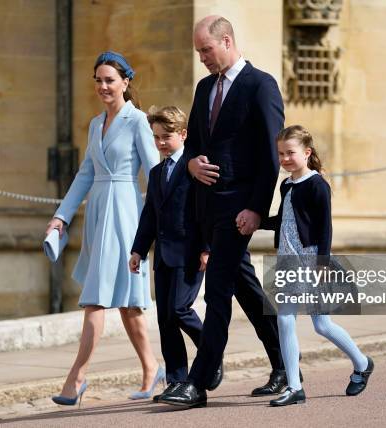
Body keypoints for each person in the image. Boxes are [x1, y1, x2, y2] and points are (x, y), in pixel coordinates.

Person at [160, 16, 287, 408]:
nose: (202, 59)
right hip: (207, 211)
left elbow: (270, 156)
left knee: (217, 292)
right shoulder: (203, 88)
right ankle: (285, 364)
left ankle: (199, 382)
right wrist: (192, 165)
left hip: (239, 212)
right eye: (199, 52)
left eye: (206, 50)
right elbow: (194, 145)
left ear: (226, 41)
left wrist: (256, 209)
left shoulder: (260, 86)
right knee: (245, 286)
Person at [46, 51, 164, 406]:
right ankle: (151, 367)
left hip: (126, 213)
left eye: (109, 80)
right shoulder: (95, 124)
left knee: (96, 299)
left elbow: (156, 173)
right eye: (98, 80)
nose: (102, 86)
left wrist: (162, 223)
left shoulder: (138, 121)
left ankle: (76, 377)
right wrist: (61, 216)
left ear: (126, 82)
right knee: (128, 305)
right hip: (99, 213)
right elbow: (85, 174)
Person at [262, 125, 374, 406]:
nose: (285, 159)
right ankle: (295, 387)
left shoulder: (317, 185)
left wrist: (322, 262)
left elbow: (325, 227)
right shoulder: (286, 184)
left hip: (311, 260)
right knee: (286, 319)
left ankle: (362, 363)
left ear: (307, 152)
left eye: (291, 153)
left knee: (321, 325)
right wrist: (255, 221)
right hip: (288, 260)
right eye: (281, 154)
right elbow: (285, 220)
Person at [129, 106, 209, 401]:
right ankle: (177, 380)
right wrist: (138, 249)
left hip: (190, 253)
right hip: (163, 256)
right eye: (156, 138)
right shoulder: (156, 171)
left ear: (183, 134)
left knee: (179, 309)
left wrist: (207, 247)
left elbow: (205, 211)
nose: (161, 143)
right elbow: (150, 215)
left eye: (167, 136)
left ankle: (211, 352)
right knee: (165, 318)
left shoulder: (194, 165)